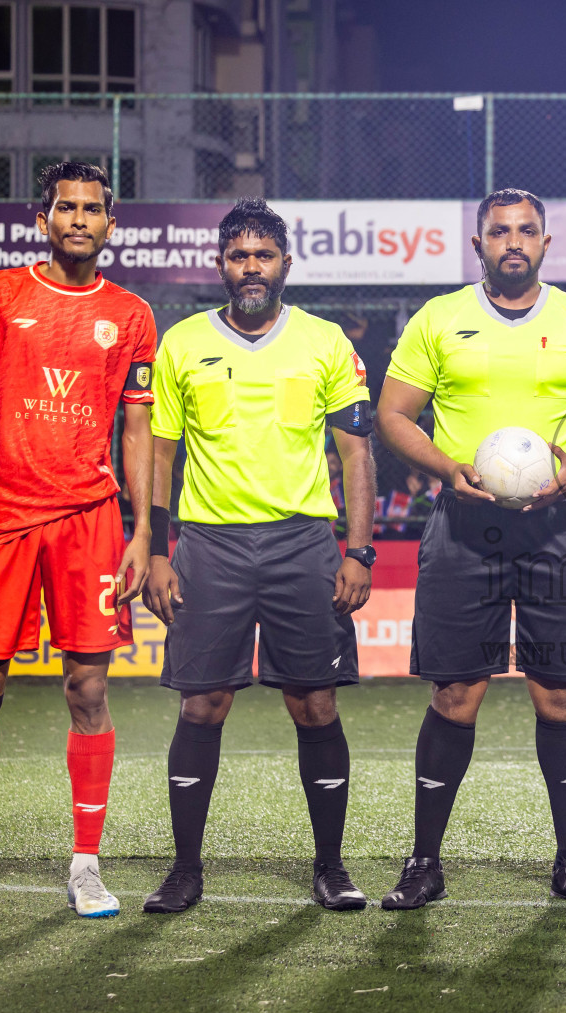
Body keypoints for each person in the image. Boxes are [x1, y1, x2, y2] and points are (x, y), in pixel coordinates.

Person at [376, 188, 566, 909]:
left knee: (560, 696)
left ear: (545, 243)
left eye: (527, 230)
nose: (514, 241)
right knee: (455, 693)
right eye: (500, 231)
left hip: (558, 530)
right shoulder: (439, 320)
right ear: (479, 245)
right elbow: (393, 415)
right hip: (465, 528)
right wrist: (446, 468)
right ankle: (424, 862)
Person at [0, 162, 156, 922]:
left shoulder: (130, 314)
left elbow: (137, 426)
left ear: (110, 225)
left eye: (93, 209)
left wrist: (142, 529)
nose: (80, 219)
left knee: (88, 689)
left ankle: (85, 866)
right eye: (67, 208)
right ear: (44, 220)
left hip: (90, 519)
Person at [140, 198, 376, 914]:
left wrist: (359, 552)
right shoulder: (180, 344)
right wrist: (156, 550)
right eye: (239, 255)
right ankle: (185, 869)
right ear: (221, 265)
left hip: (303, 541)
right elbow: (160, 451)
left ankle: (330, 866)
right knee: (202, 703)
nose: (251, 268)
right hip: (209, 544)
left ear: (285, 265)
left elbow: (356, 453)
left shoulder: (326, 342)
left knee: (315, 702)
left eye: (263, 256)